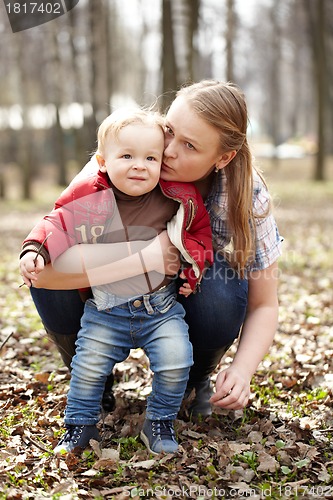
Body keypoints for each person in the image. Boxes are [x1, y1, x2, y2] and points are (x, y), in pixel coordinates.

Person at [20, 79, 282, 428]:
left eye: (189, 145)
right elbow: (46, 274)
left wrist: (242, 370)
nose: (169, 150)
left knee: (223, 287)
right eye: (170, 130)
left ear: (223, 158)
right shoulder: (126, 158)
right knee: (46, 264)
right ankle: (90, 380)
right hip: (107, 292)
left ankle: (193, 380)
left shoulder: (245, 195)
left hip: (182, 292)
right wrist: (148, 256)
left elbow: (265, 302)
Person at [20, 108, 214, 454]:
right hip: (106, 309)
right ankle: (80, 426)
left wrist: (192, 269)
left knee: (176, 358)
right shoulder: (92, 196)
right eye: (127, 156)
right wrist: (36, 249)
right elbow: (57, 224)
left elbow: (198, 235)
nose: (140, 165)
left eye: (150, 158)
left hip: (161, 308)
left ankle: (159, 422)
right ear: (103, 161)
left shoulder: (176, 198)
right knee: (88, 365)